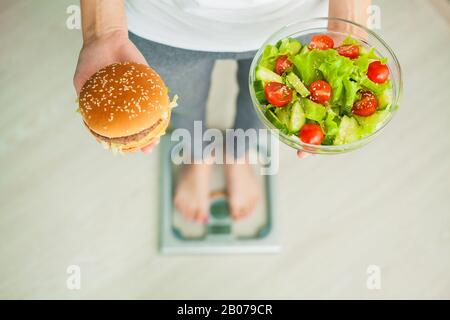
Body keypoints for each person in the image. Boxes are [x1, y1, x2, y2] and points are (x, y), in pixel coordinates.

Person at [74, 0, 371, 223]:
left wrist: (347, 27)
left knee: (268, 109)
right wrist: (104, 32)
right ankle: (198, 153)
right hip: (162, 21)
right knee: (181, 105)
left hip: (296, 19)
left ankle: (238, 152)